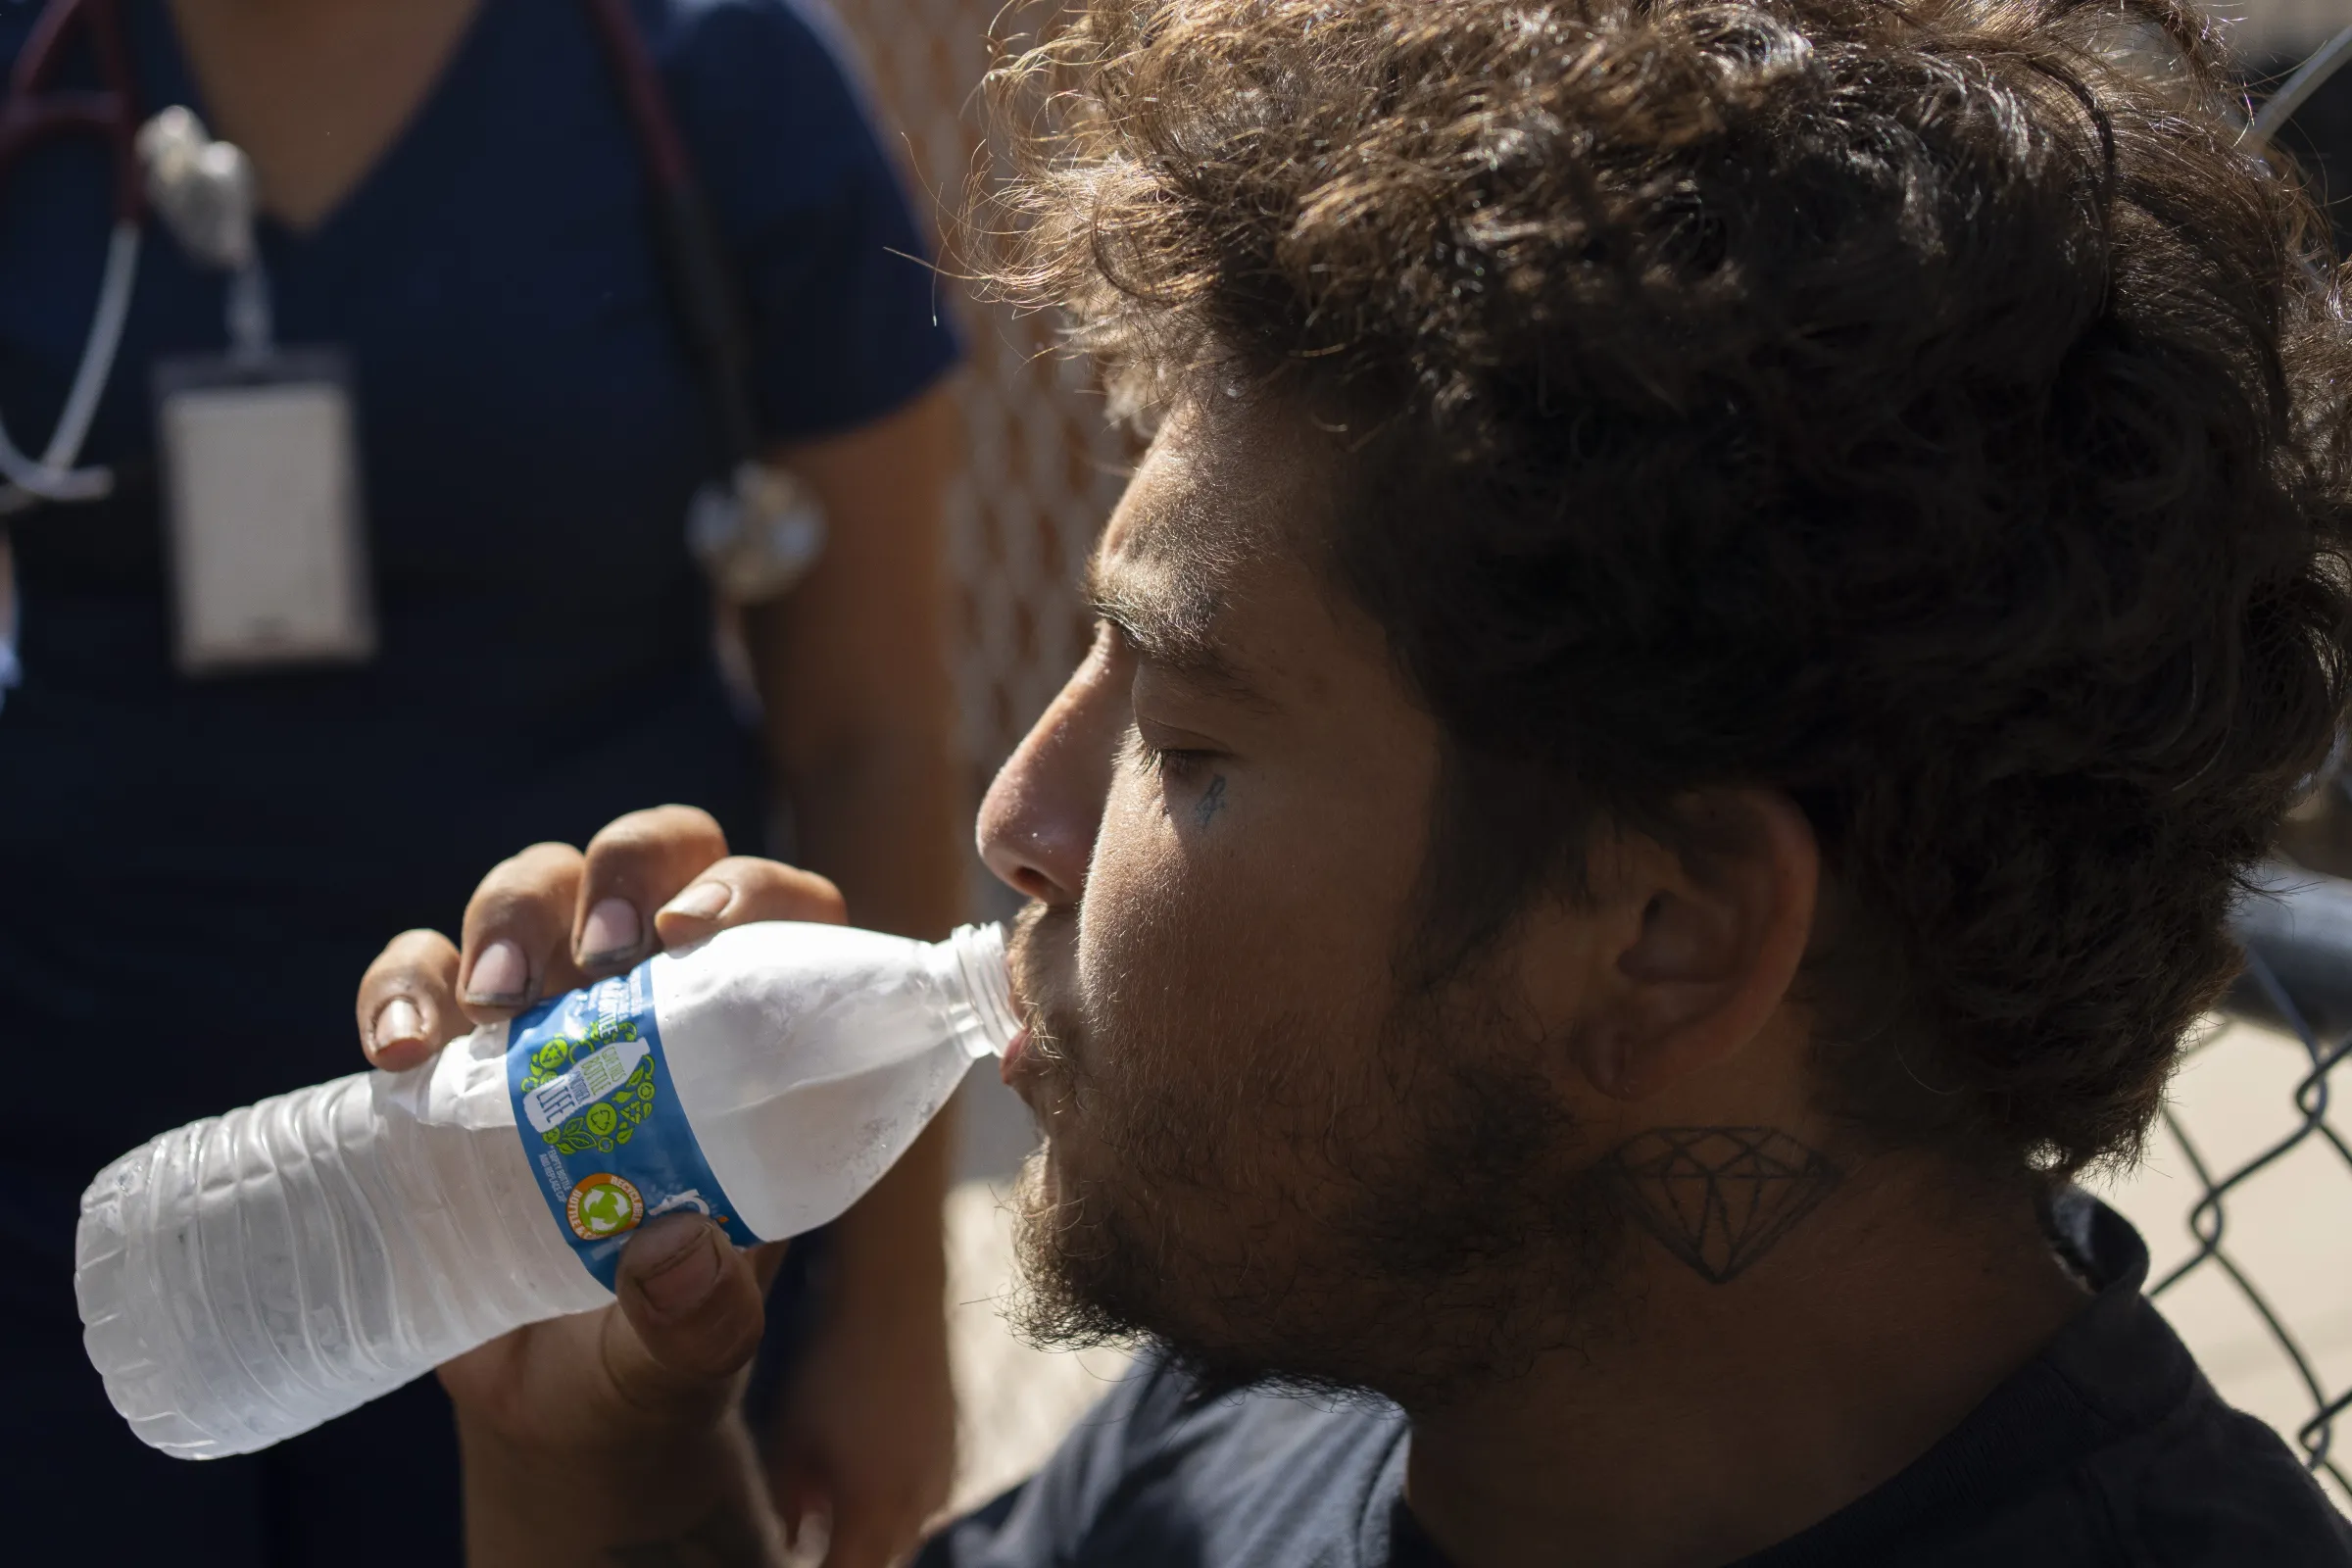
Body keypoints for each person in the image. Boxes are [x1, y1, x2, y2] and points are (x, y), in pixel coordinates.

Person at [353, 0, 2352, 1562]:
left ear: (1666, 936)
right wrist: (605, 1461)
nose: (1017, 820)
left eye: (1191, 739)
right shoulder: (1290, 1416)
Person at [0, 1, 964, 1563]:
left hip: (577, 1203)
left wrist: (890, 1322)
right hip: (75, 1214)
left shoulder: (720, 76)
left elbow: (866, 727)